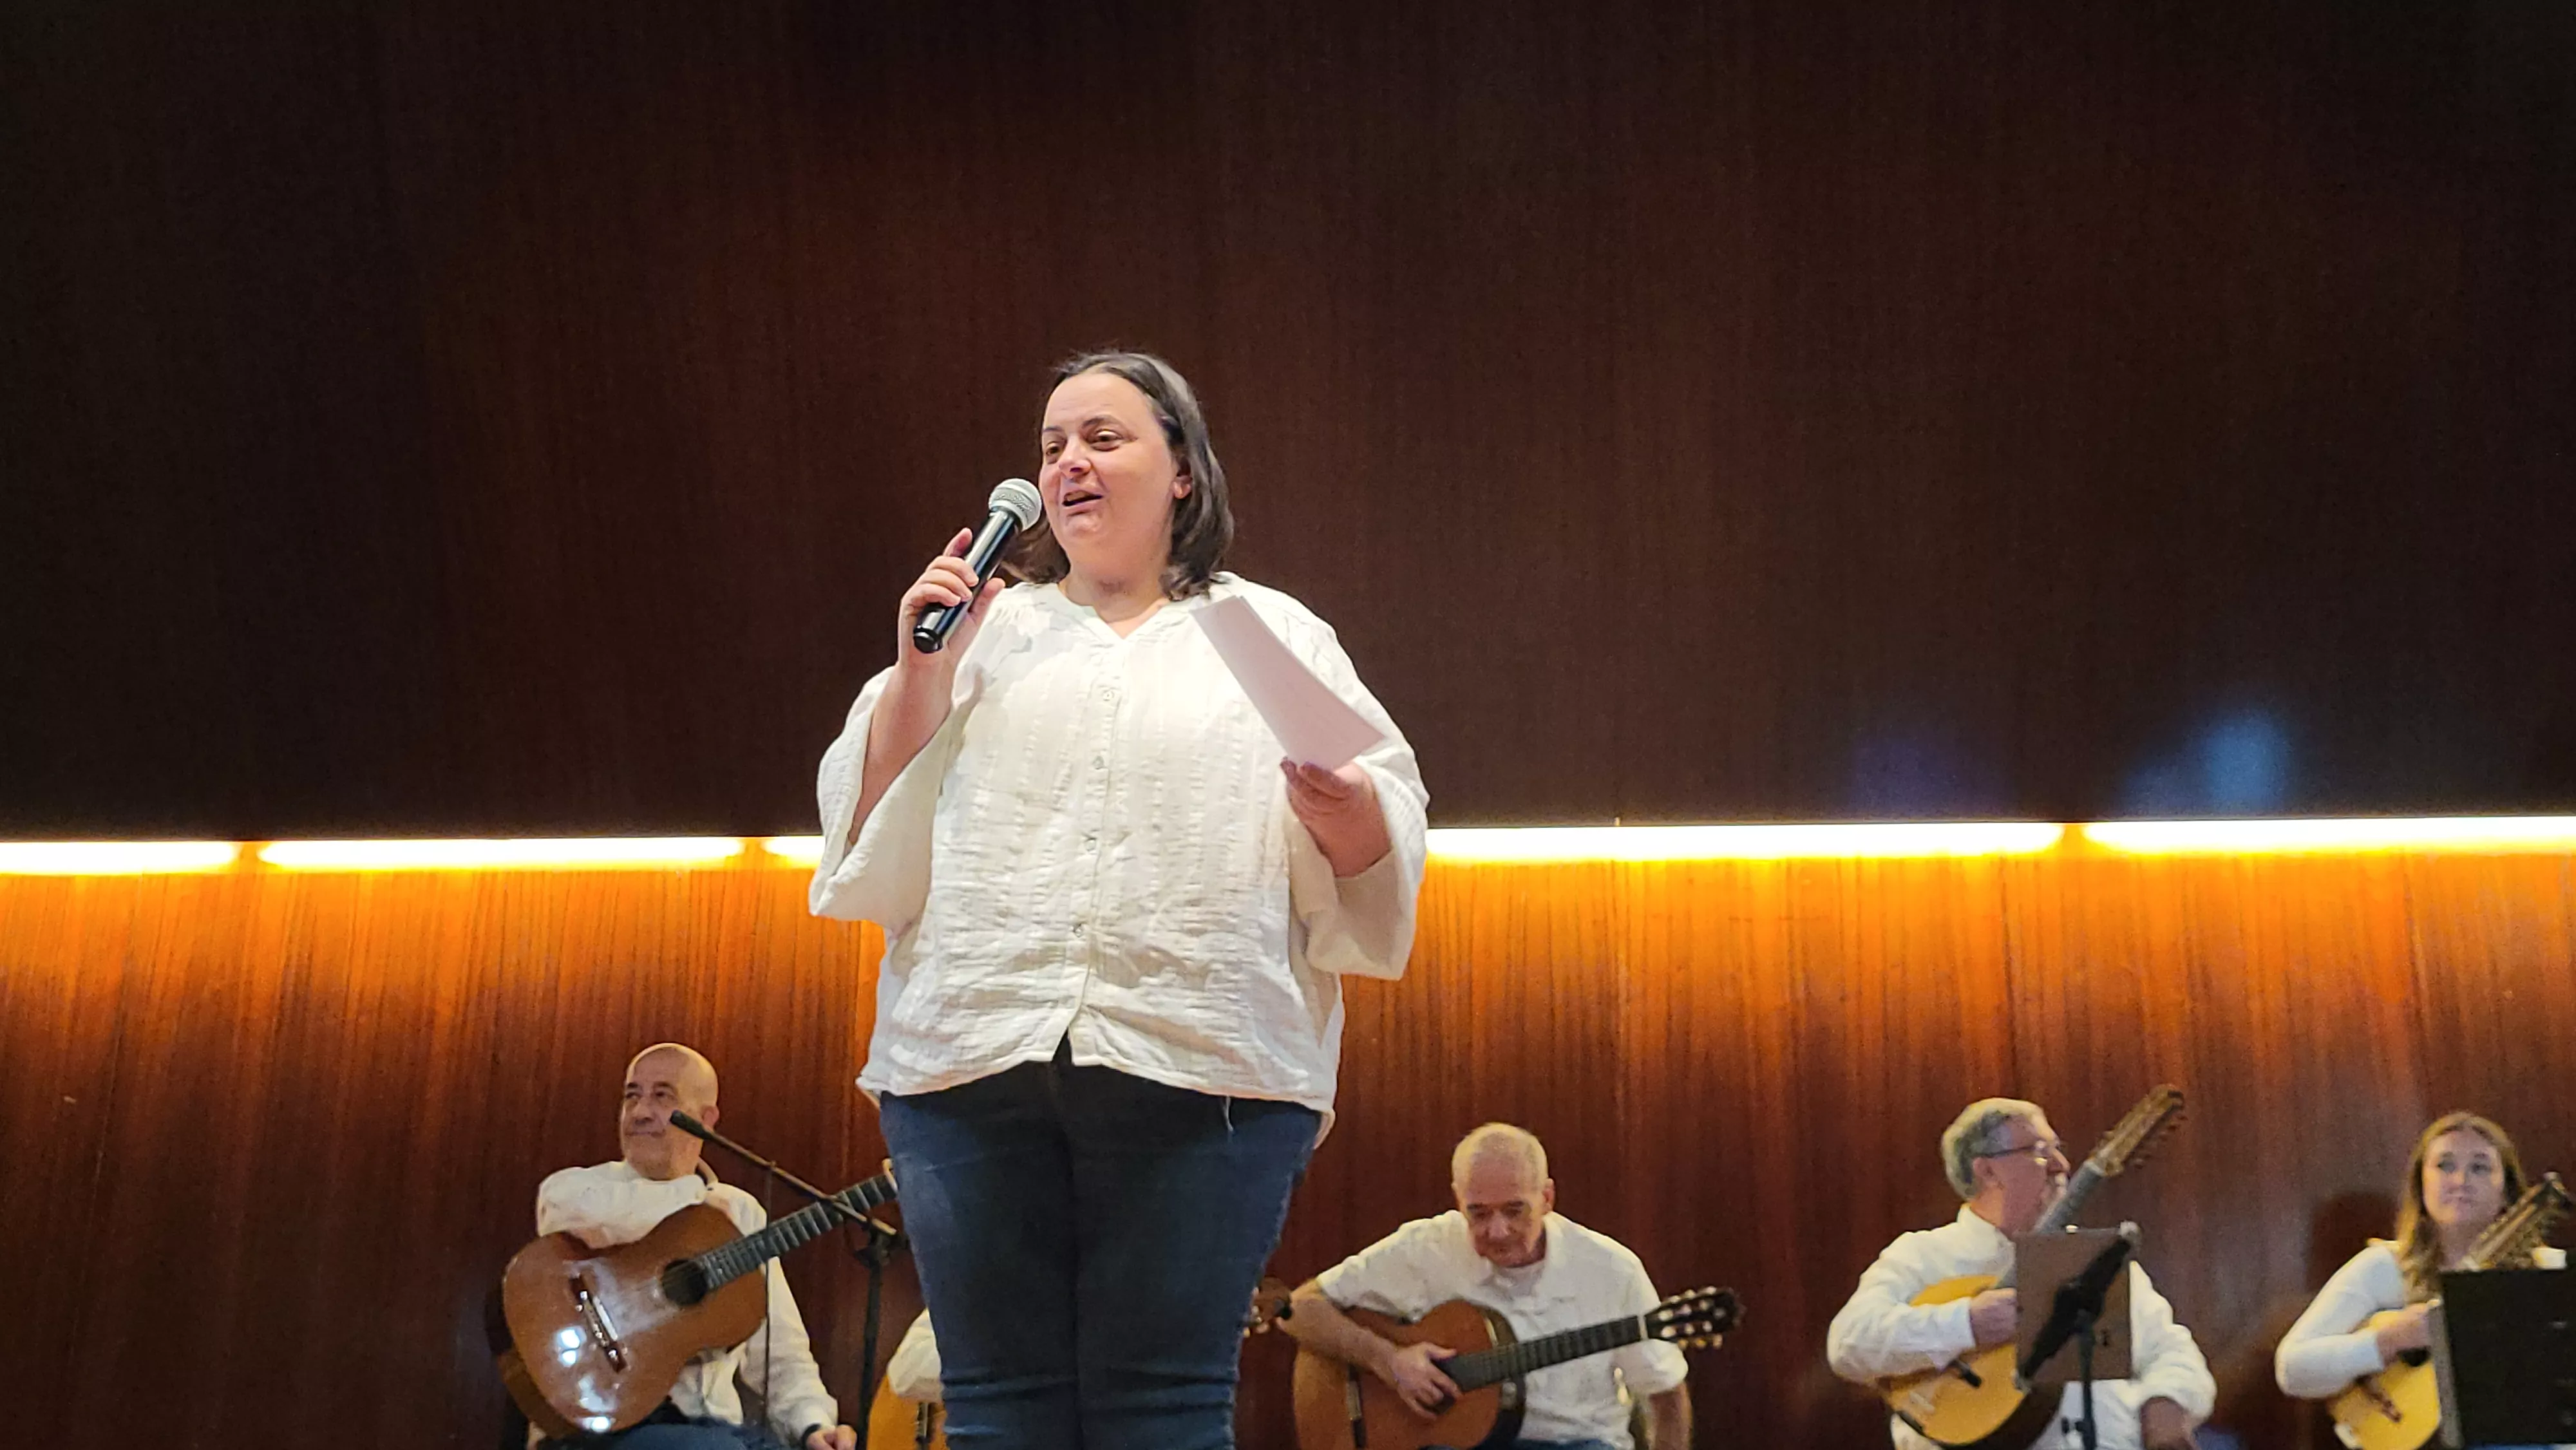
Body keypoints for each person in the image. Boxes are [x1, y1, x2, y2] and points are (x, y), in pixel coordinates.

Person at [809, 350, 1430, 1449]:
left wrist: (1345, 815)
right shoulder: (983, 630)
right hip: (967, 1056)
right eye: (1052, 446)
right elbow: (868, 832)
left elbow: (1381, 822)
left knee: (1166, 1408)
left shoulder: (1273, 634)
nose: (1069, 464)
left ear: (1182, 468)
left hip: (1206, 1068)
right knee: (998, 1409)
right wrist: (919, 668)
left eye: (1103, 437)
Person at [1826, 1098, 2214, 1450]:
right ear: (1987, 1170)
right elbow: (1848, 1344)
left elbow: (2172, 1351)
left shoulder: (2095, 1259)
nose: (2062, 1166)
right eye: (2041, 1152)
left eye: (2059, 1149)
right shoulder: (1925, 1256)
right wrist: (1965, 1323)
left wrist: (2166, 1403)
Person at [1281, 1124, 1693, 1450]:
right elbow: (1298, 1309)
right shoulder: (1427, 1247)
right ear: (1458, 1200)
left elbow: (1666, 1395)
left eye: (1516, 1210)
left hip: (1577, 1443)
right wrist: (1387, 1360)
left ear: (1547, 1198)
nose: (1497, 1231)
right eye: (1477, 1214)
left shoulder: (1611, 1270)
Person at [531, 1044, 857, 1450]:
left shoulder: (737, 1211)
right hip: (604, 1425)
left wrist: (813, 1425)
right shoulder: (578, 1190)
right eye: (632, 1096)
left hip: (713, 1430)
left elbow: (781, 1354)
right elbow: (578, 1217)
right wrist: (702, 1205)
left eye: (662, 1096)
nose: (640, 1112)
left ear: (706, 1121)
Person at [2273, 1112, 2565, 1418]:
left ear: (2505, 1190)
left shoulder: (2552, 1270)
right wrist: (2389, 1341)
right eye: (2444, 1165)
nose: (2460, 1181)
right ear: (2421, 1185)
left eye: (2479, 1168)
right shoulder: (2384, 1267)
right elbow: (2292, 1368)